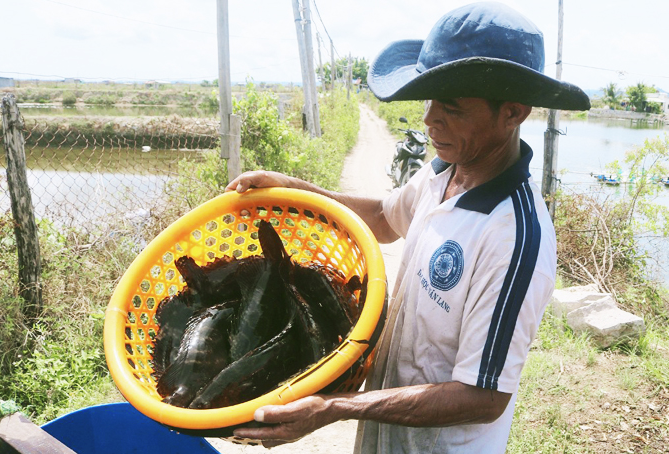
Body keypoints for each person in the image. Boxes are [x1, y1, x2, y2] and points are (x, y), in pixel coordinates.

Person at [226, 2, 590, 453]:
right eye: (430, 101)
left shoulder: (514, 238)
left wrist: (335, 408)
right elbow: (383, 218)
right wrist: (293, 189)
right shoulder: (443, 170)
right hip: (385, 434)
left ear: (513, 113)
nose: (429, 119)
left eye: (452, 109)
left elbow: (483, 396)